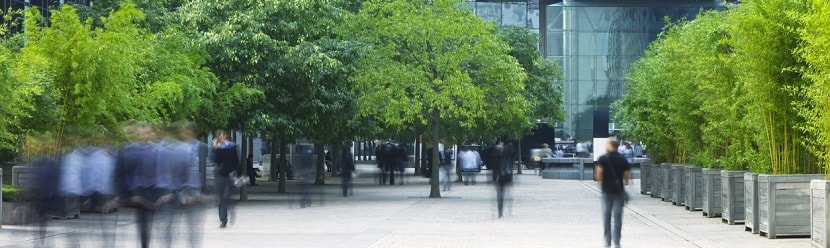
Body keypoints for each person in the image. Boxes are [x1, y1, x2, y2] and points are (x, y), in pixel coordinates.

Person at [595, 139, 631, 248]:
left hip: (606, 191)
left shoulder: (603, 159)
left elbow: (598, 174)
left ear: (610, 145)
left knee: (606, 217)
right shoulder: (623, 159)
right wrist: (625, 182)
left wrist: (601, 183)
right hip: (619, 191)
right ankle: (617, 242)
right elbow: (627, 176)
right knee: (618, 217)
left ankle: (607, 241)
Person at [212, 130, 239, 229]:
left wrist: (236, 172)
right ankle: (223, 219)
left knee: (226, 197)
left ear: (225, 136)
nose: (220, 139)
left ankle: (225, 218)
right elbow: (215, 161)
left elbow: (236, 160)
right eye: (218, 137)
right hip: (219, 175)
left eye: (221, 136)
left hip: (230, 175)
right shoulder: (217, 148)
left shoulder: (232, 146)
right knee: (221, 198)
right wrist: (215, 149)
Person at [491, 139, 514, 218]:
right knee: (502, 194)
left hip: (500, 177)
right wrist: (510, 179)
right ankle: (500, 210)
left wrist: (493, 179)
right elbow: (509, 168)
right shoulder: (507, 158)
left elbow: (494, 169)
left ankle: (500, 210)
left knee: (500, 194)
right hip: (504, 177)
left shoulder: (495, 157)